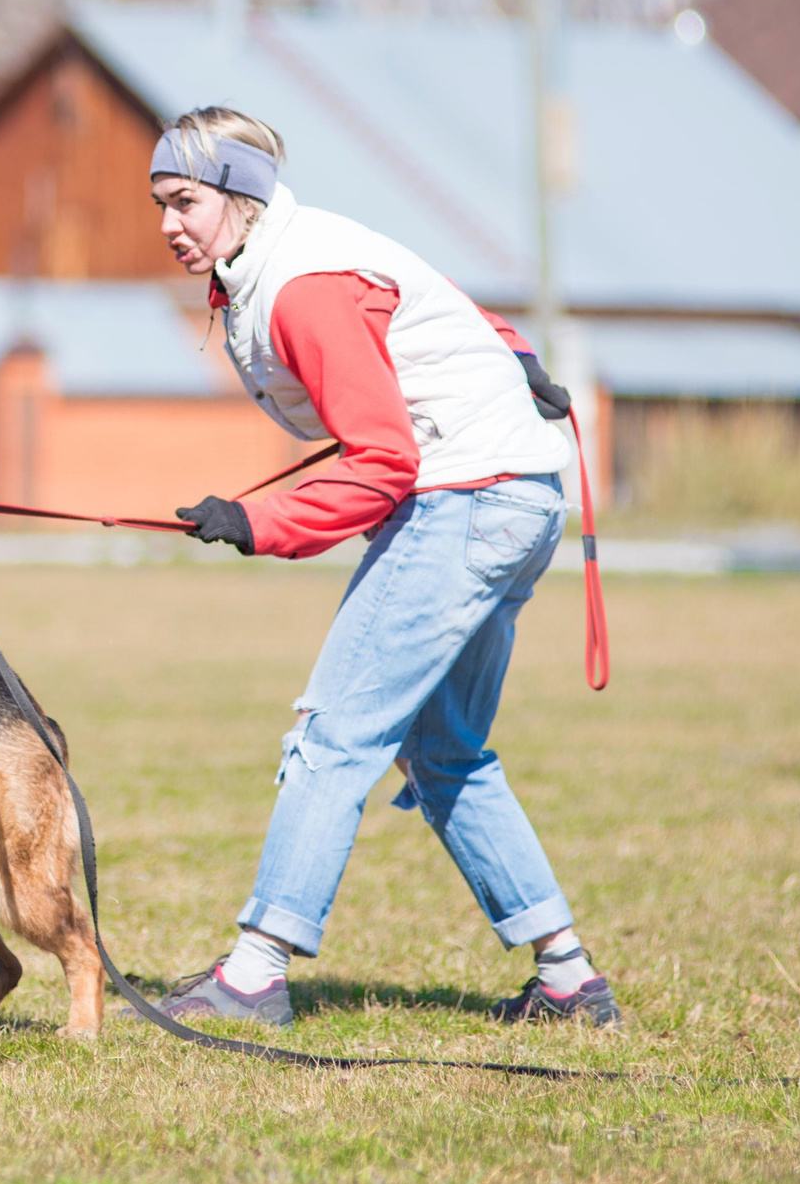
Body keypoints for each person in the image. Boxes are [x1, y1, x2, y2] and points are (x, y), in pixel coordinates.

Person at [142, 107, 618, 1030]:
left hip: (466, 499)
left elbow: (385, 462)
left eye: (186, 201)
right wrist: (519, 357)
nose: (169, 224)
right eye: (160, 204)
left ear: (241, 195)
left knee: (334, 736)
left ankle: (253, 973)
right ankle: (567, 979)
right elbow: (448, 305)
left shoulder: (302, 283)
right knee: (443, 753)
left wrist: (257, 520)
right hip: (516, 498)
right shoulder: (290, 254)